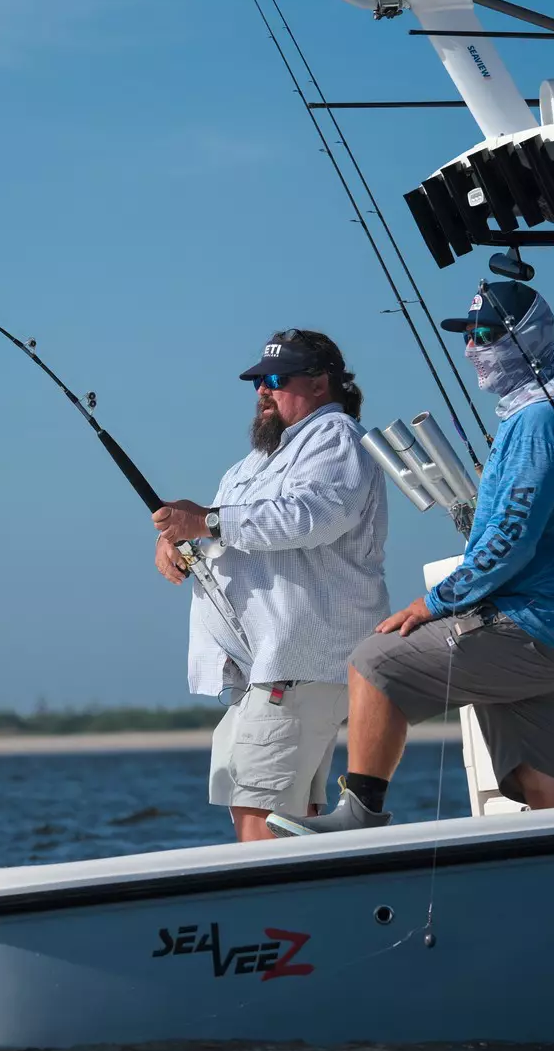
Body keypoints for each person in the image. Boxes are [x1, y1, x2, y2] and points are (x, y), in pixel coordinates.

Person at [270, 281, 554, 835]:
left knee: (374, 662)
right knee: (547, 789)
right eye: (467, 336)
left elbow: (510, 541)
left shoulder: (537, 422)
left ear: (529, 339)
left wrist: (434, 604)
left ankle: (360, 814)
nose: (473, 347)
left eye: (487, 335)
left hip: (527, 629)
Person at [150, 329, 389, 842]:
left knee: (260, 818)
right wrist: (178, 543)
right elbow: (222, 528)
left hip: (297, 666)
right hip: (262, 673)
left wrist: (207, 523)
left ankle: (276, 919)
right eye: (257, 381)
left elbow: (314, 517)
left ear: (321, 384)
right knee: (278, 813)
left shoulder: (336, 437)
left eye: (275, 380)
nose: (262, 391)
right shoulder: (250, 465)